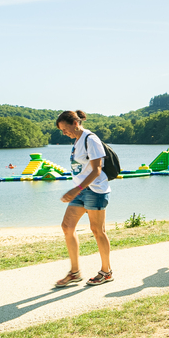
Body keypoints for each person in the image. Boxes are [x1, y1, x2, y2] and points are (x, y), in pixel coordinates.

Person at [53, 110, 113, 287]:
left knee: (97, 230)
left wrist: (75, 189)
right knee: (67, 227)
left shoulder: (91, 139)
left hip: (95, 191)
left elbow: (97, 170)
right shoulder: (78, 141)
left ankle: (106, 272)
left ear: (75, 123)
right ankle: (75, 272)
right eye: (62, 131)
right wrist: (77, 190)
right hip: (81, 191)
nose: (64, 133)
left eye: (65, 129)